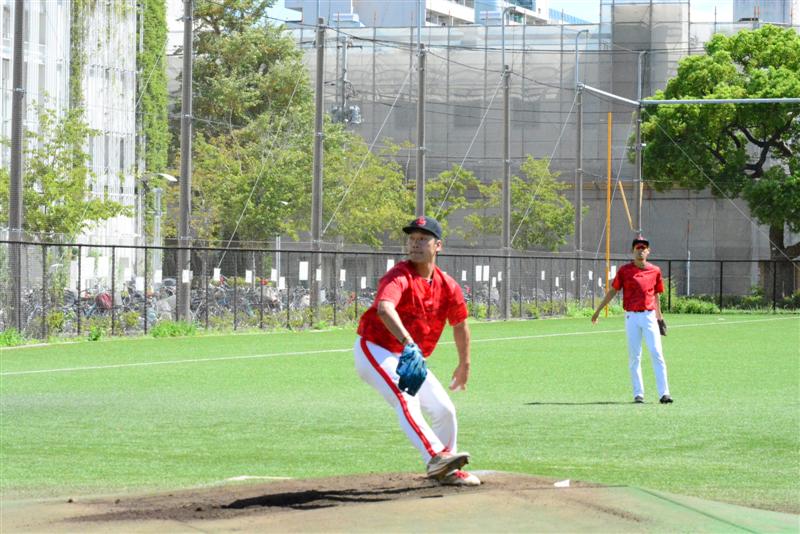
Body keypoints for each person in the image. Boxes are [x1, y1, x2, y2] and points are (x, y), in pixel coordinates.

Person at [353, 215, 480, 486]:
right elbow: (385, 309)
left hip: (408, 357)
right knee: (405, 398)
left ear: (438, 246)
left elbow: (460, 324)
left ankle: (447, 470)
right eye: (412, 238)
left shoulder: (448, 286)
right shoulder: (399, 276)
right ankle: (436, 457)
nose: (415, 244)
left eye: (423, 239)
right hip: (376, 348)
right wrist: (409, 341)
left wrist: (464, 363)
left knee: (444, 409)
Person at [591, 235, 673, 404]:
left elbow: (656, 295)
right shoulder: (624, 270)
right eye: (638, 247)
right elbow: (613, 291)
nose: (640, 250)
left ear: (648, 251)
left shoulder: (655, 270)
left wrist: (660, 318)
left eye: (643, 248)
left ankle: (664, 394)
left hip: (649, 316)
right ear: (632, 251)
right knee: (635, 356)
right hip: (631, 317)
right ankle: (638, 394)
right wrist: (598, 310)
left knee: (657, 353)